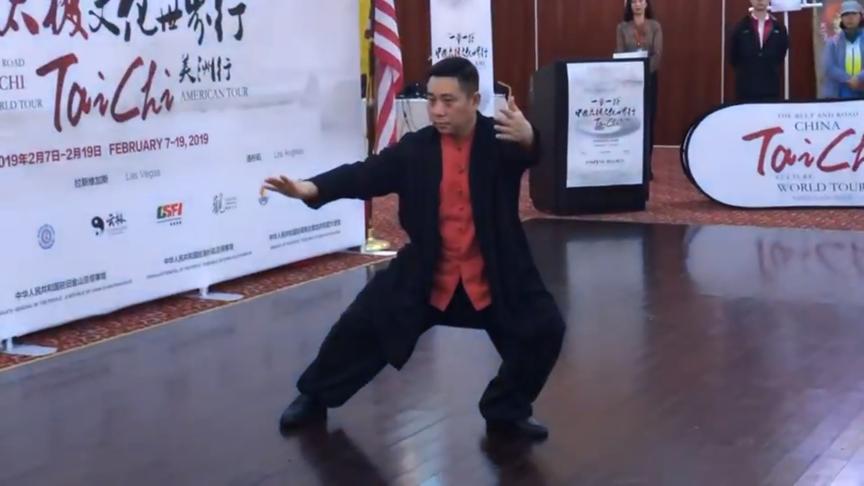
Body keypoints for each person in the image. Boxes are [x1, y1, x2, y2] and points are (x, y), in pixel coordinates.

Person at [262, 57, 566, 441]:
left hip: (496, 272)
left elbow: (533, 151)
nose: (437, 110)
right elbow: (365, 174)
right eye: (431, 100)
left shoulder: (499, 140)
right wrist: (311, 188)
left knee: (544, 328)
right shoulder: (416, 149)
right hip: (429, 272)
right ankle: (315, 396)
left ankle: (505, 410)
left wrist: (529, 137)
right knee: (362, 323)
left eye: (448, 101)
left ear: (474, 101)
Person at [616, 0, 663, 168]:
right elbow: (620, 52)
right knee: (630, 120)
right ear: (630, 5)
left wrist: (643, 72)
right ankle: (630, 164)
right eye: (634, 1)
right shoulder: (622, 27)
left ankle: (646, 165)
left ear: (646, 4)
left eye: (641, 1)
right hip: (628, 80)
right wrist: (631, 73)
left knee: (648, 120)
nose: (637, 4)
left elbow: (657, 54)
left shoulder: (655, 26)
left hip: (649, 78)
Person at [729, 0, 790, 102]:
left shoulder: (779, 29)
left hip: (771, 91)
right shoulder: (740, 28)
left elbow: (781, 55)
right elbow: (733, 57)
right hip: (745, 92)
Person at [823, 0, 864, 98]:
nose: (850, 17)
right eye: (846, 14)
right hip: (840, 91)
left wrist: (859, 78)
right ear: (841, 18)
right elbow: (829, 67)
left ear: (860, 16)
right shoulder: (833, 42)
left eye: (853, 13)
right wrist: (848, 79)